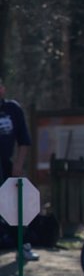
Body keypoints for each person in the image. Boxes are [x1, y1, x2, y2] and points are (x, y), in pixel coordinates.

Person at [0, 79, 38, 261]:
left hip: (6, 164)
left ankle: (23, 245)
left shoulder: (12, 109)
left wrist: (18, 164)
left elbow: (24, 140)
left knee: (14, 207)